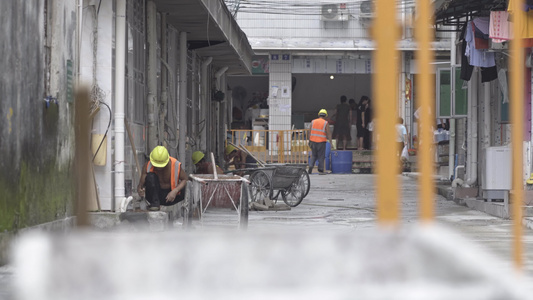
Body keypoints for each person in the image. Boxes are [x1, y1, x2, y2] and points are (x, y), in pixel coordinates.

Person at [137, 146, 188, 211]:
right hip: (154, 197)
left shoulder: (175, 165)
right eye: (157, 165)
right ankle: (155, 205)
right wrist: (140, 190)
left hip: (172, 196)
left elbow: (185, 180)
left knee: (185, 188)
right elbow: (140, 185)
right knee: (150, 177)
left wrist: (175, 191)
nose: (159, 168)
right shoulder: (147, 166)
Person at [308, 109, 333, 175]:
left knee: (313, 155)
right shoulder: (325, 123)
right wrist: (331, 142)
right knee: (321, 156)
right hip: (321, 142)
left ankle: (311, 166)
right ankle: (321, 170)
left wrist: (309, 140)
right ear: (325, 116)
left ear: (319, 114)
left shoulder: (313, 121)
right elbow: (328, 133)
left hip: (313, 141)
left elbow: (309, 131)